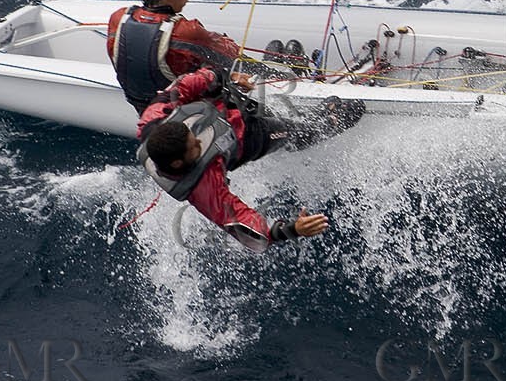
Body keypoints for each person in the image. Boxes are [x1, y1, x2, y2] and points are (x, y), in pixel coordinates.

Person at [135, 66, 362, 252]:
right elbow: (252, 231)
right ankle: (325, 122)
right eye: (194, 147)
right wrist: (294, 229)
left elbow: (183, 84)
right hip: (252, 139)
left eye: (193, 136)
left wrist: (221, 78)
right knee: (295, 133)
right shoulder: (204, 188)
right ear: (177, 163)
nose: (199, 141)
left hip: (231, 107)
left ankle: (281, 69)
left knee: (238, 98)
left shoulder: (152, 119)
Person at [108, 0, 244, 114]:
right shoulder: (186, 31)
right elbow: (230, 54)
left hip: (144, 109)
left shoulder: (119, 18)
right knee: (225, 69)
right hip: (187, 115)